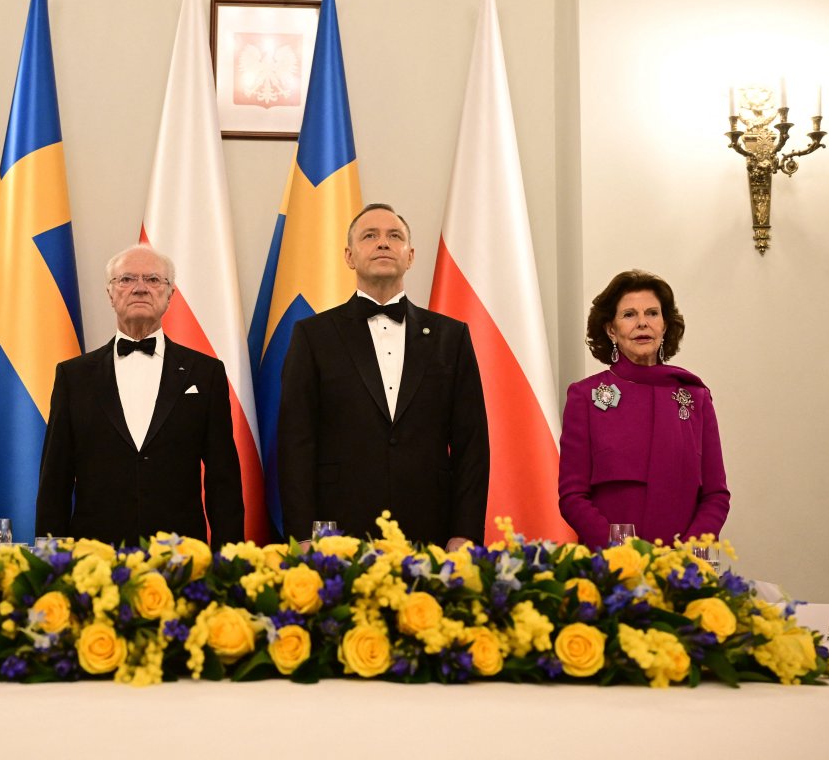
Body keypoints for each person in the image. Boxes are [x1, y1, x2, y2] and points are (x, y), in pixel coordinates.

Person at [278, 203, 489, 549]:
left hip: (431, 528)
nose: (383, 243)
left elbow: (472, 444)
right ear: (348, 256)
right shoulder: (313, 335)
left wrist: (464, 531)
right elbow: (295, 443)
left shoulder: (451, 337)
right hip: (338, 532)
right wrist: (303, 534)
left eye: (395, 236)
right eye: (369, 236)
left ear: (410, 256)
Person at [36, 245, 244, 547]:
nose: (140, 288)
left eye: (153, 280)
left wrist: (229, 562)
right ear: (110, 294)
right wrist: (50, 560)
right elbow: (55, 479)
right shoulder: (74, 376)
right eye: (127, 279)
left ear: (170, 295)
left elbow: (222, 478)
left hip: (181, 561)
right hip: (94, 560)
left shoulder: (205, 373)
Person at [558, 269, 730, 548]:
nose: (642, 323)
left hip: (683, 570)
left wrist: (684, 556)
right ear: (611, 329)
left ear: (664, 325)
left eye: (652, 313)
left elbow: (716, 496)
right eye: (629, 315)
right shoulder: (585, 397)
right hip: (612, 568)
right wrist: (627, 553)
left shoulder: (695, 397)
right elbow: (572, 495)